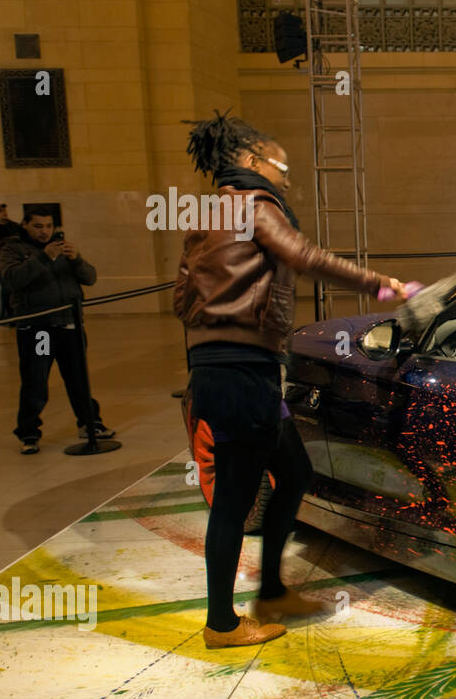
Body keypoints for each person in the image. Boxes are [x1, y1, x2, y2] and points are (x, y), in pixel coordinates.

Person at [175, 111, 408, 649]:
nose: (287, 177)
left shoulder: (204, 216)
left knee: (294, 472)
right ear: (252, 161)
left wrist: (218, 315)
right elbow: (303, 255)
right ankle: (222, 624)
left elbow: (181, 300)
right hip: (243, 372)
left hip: (216, 369)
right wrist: (378, 282)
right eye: (282, 167)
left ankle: (273, 591)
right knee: (233, 500)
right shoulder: (255, 205)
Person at [0, 204, 113, 454]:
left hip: (69, 325)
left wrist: (77, 259)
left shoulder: (62, 249)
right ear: (25, 225)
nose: (44, 232)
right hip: (39, 329)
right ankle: (29, 432)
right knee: (36, 381)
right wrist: (43, 257)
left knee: (78, 378)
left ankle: (90, 423)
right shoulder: (12, 249)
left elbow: (90, 278)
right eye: (38, 226)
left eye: (49, 226)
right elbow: (13, 280)